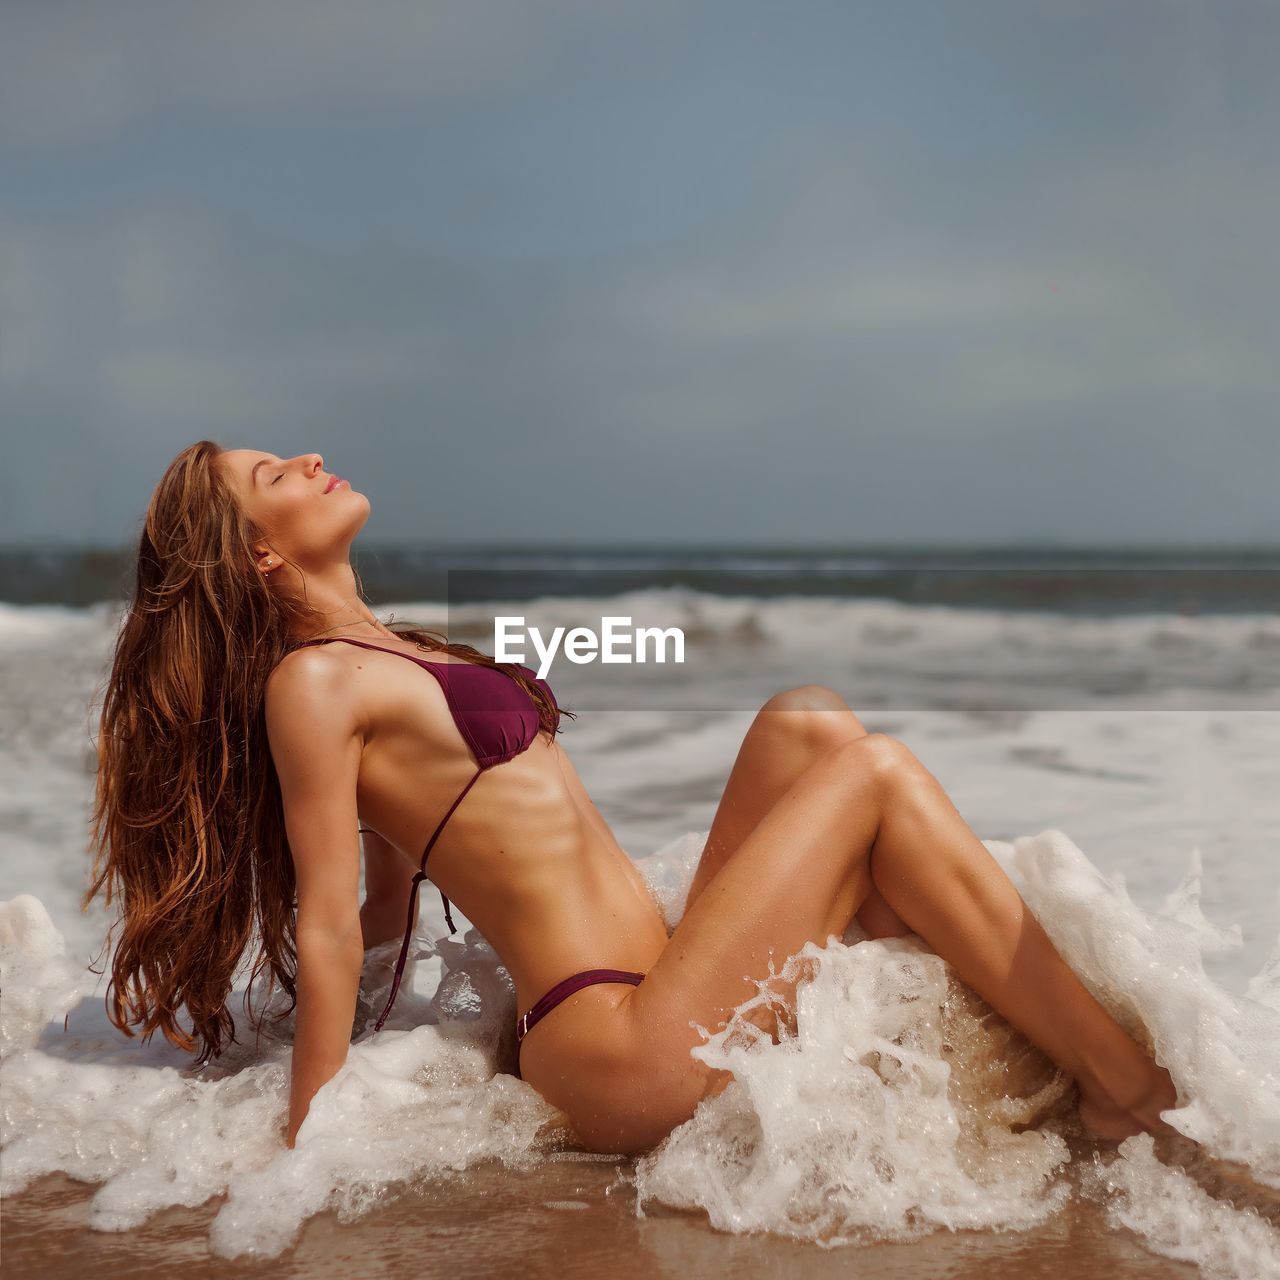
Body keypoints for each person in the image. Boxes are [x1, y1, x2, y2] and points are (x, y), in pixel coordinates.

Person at [86, 441, 1179, 1157]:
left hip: (654, 972)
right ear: (259, 552)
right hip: (611, 1042)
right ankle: (1120, 1087)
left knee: (809, 721)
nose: (310, 456)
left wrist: (397, 1026)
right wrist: (310, 1141)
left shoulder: (392, 648)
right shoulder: (309, 680)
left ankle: (993, 1059)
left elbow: (385, 903)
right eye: (274, 471)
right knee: (876, 773)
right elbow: (329, 920)